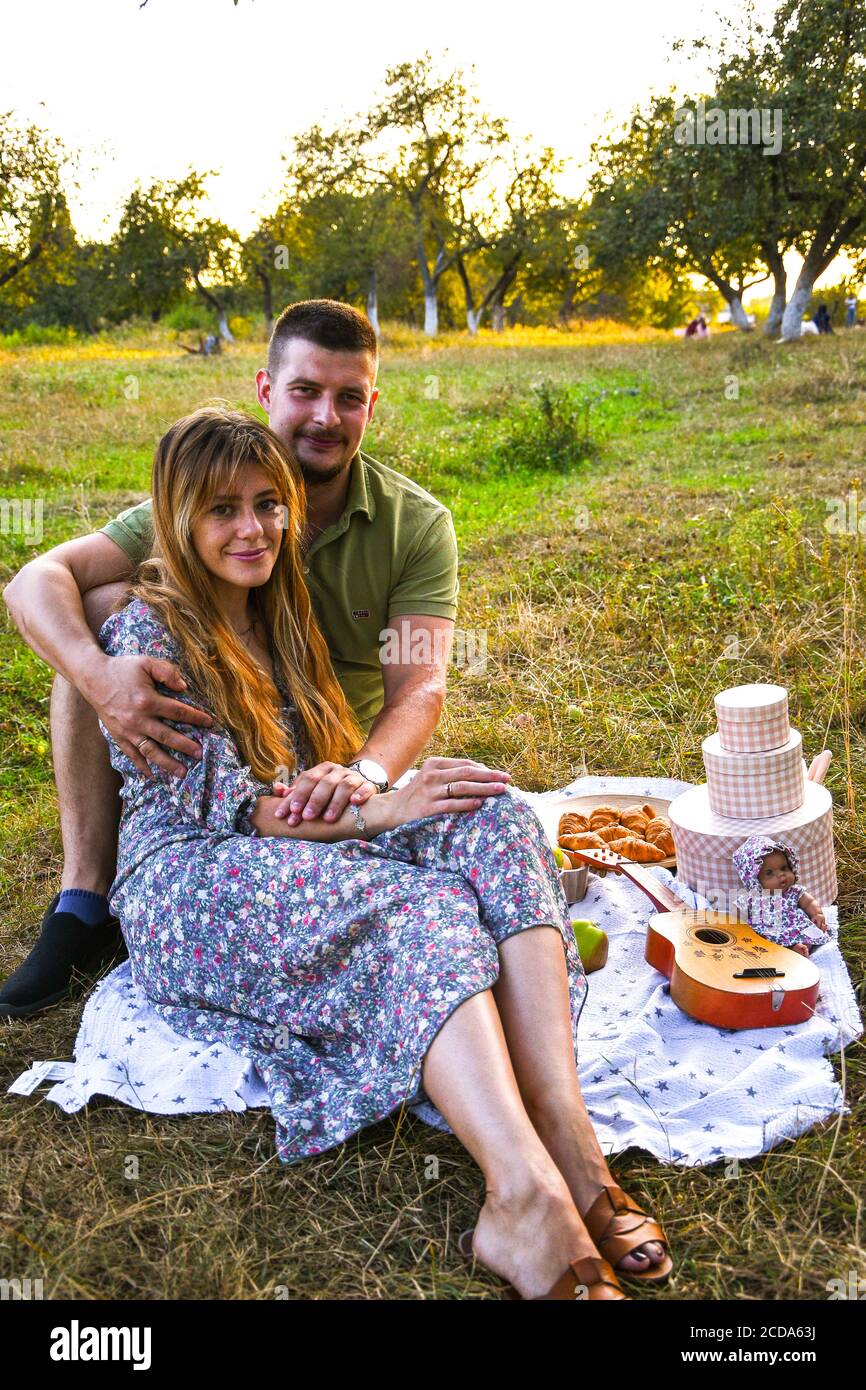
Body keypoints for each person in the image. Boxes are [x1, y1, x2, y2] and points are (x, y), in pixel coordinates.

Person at [91, 403, 672, 1300]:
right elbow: (234, 816)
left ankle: (569, 1137)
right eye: (222, 510)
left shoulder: (279, 612)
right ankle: (519, 1194)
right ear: (177, 518)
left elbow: (332, 762)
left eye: (267, 504)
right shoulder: (151, 633)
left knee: (495, 814)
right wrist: (382, 814)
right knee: (421, 909)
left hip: (289, 836)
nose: (253, 529)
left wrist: (380, 794)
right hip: (189, 877)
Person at [1, 300, 459, 1018]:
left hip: (328, 748)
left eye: (348, 398)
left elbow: (419, 684)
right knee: (94, 605)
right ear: (266, 389)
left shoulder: (418, 524)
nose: (324, 418)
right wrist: (100, 678)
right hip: (218, 731)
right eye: (306, 390)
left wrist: (367, 778)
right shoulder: (212, 486)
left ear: (373, 404)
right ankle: (86, 896)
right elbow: (36, 579)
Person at [732, 835, 829, 957]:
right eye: (769, 873)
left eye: (784, 868)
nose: (781, 875)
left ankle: (802, 948)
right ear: (754, 879)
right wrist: (738, 926)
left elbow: (809, 902)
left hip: (794, 926)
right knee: (761, 943)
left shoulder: (792, 891)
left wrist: (817, 914)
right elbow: (739, 911)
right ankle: (789, 950)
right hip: (768, 931)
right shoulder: (753, 897)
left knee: (809, 932)